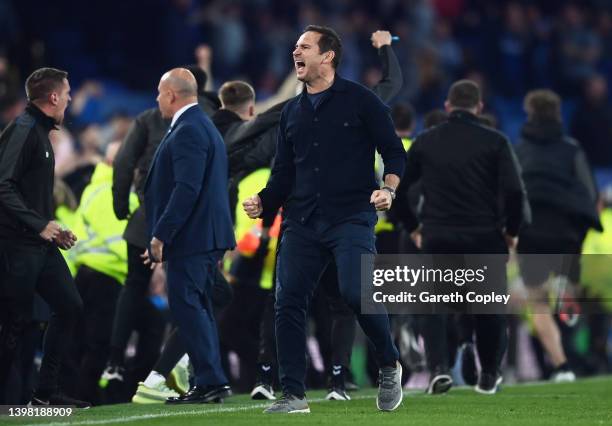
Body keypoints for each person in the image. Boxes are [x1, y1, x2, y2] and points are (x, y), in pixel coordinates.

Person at [243, 25, 405, 413]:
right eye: (294, 46)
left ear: (328, 56)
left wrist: (390, 189)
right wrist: (264, 201)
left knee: (354, 292)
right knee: (287, 301)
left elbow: (395, 153)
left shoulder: (361, 100)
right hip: (301, 220)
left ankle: (388, 361)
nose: (295, 53)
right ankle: (294, 394)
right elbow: (283, 173)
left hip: (351, 216)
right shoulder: (291, 112)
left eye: (304, 47)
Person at [399, 80, 529, 395]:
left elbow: (400, 190)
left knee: (436, 306)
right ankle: (488, 374)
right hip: (485, 237)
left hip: (438, 236)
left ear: (447, 106)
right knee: (487, 310)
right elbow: (514, 191)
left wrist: (414, 226)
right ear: (479, 107)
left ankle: (439, 370)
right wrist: (511, 232)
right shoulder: (495, 142)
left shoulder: (426, 141)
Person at [102, 65, 219, 393]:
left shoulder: (152, 118)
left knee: (136, 286)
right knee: (200, 294)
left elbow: (124, 162)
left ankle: (117, 361)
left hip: (150, 217)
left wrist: (121, 206)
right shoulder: (208, 117)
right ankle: (177, 368)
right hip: (189, 223)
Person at [144, 68, 235, 404]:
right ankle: (209, 379)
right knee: (198, 307)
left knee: (188, 307)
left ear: (171, 94)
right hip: (201, 234)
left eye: (159, 92)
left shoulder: (189, 129)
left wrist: (160, 234)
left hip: (192, 237)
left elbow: (187, 188)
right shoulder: (199, 126)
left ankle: (210, 379)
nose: (156, 99)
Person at [0, 67, 90, 407]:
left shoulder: (38, 132)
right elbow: (2, 185)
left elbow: (25, 192)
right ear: (53, 97)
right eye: (66, 94)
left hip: (38, 243)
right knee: (14, 325)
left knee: (69, 306)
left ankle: (45, 394)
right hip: (15, 244)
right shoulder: (23, 130)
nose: (69, 99)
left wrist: (51, 228)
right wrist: (39, 225)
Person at [515, 89, 601, 383]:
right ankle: (567, 301)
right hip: (566, 235)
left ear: (529, 113)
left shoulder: (518, 150)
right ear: (557, 114)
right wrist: (584, 227)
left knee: (537, 303)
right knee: (568, 300)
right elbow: (589, 193)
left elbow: (512, 193)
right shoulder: (571, 149)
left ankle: (560, 365)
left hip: (531, 235)